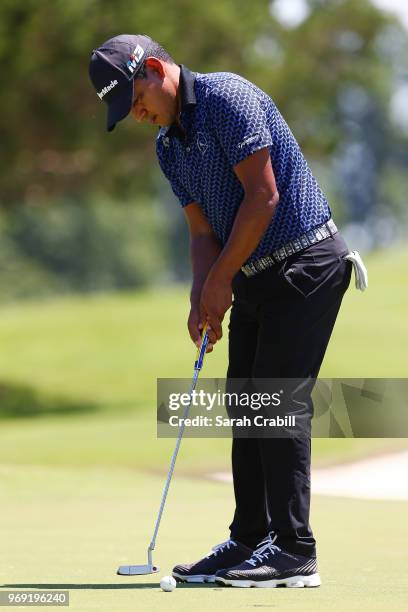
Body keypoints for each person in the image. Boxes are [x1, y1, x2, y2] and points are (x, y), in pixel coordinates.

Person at [89, 34, 367, 588]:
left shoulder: (227, 99)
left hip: (308, 263)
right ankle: (249, 539)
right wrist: (202, 293)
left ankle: (293, 550)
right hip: (257, 275)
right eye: (126, 111)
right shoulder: (169, 147)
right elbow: (200, 229)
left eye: (135, 99)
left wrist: (221, 281)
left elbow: (264, 198)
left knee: (276, 401)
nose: (137, 114)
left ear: (157, 68)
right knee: (244, 403)